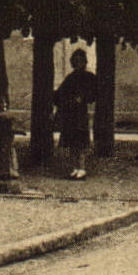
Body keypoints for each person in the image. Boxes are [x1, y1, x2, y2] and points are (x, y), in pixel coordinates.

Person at [53, 48, 99, 180]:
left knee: (80, 142)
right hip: (70, 113)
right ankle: (75, 168)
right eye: (75, 61)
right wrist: (55, 96)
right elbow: (60, 94)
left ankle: (82, 168)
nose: (77, 63)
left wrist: (83, 98)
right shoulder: (70, 78)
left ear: (84, 62)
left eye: (80, 61)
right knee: (72, 142)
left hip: (80, 114)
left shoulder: (89, 77)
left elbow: (94, 94)